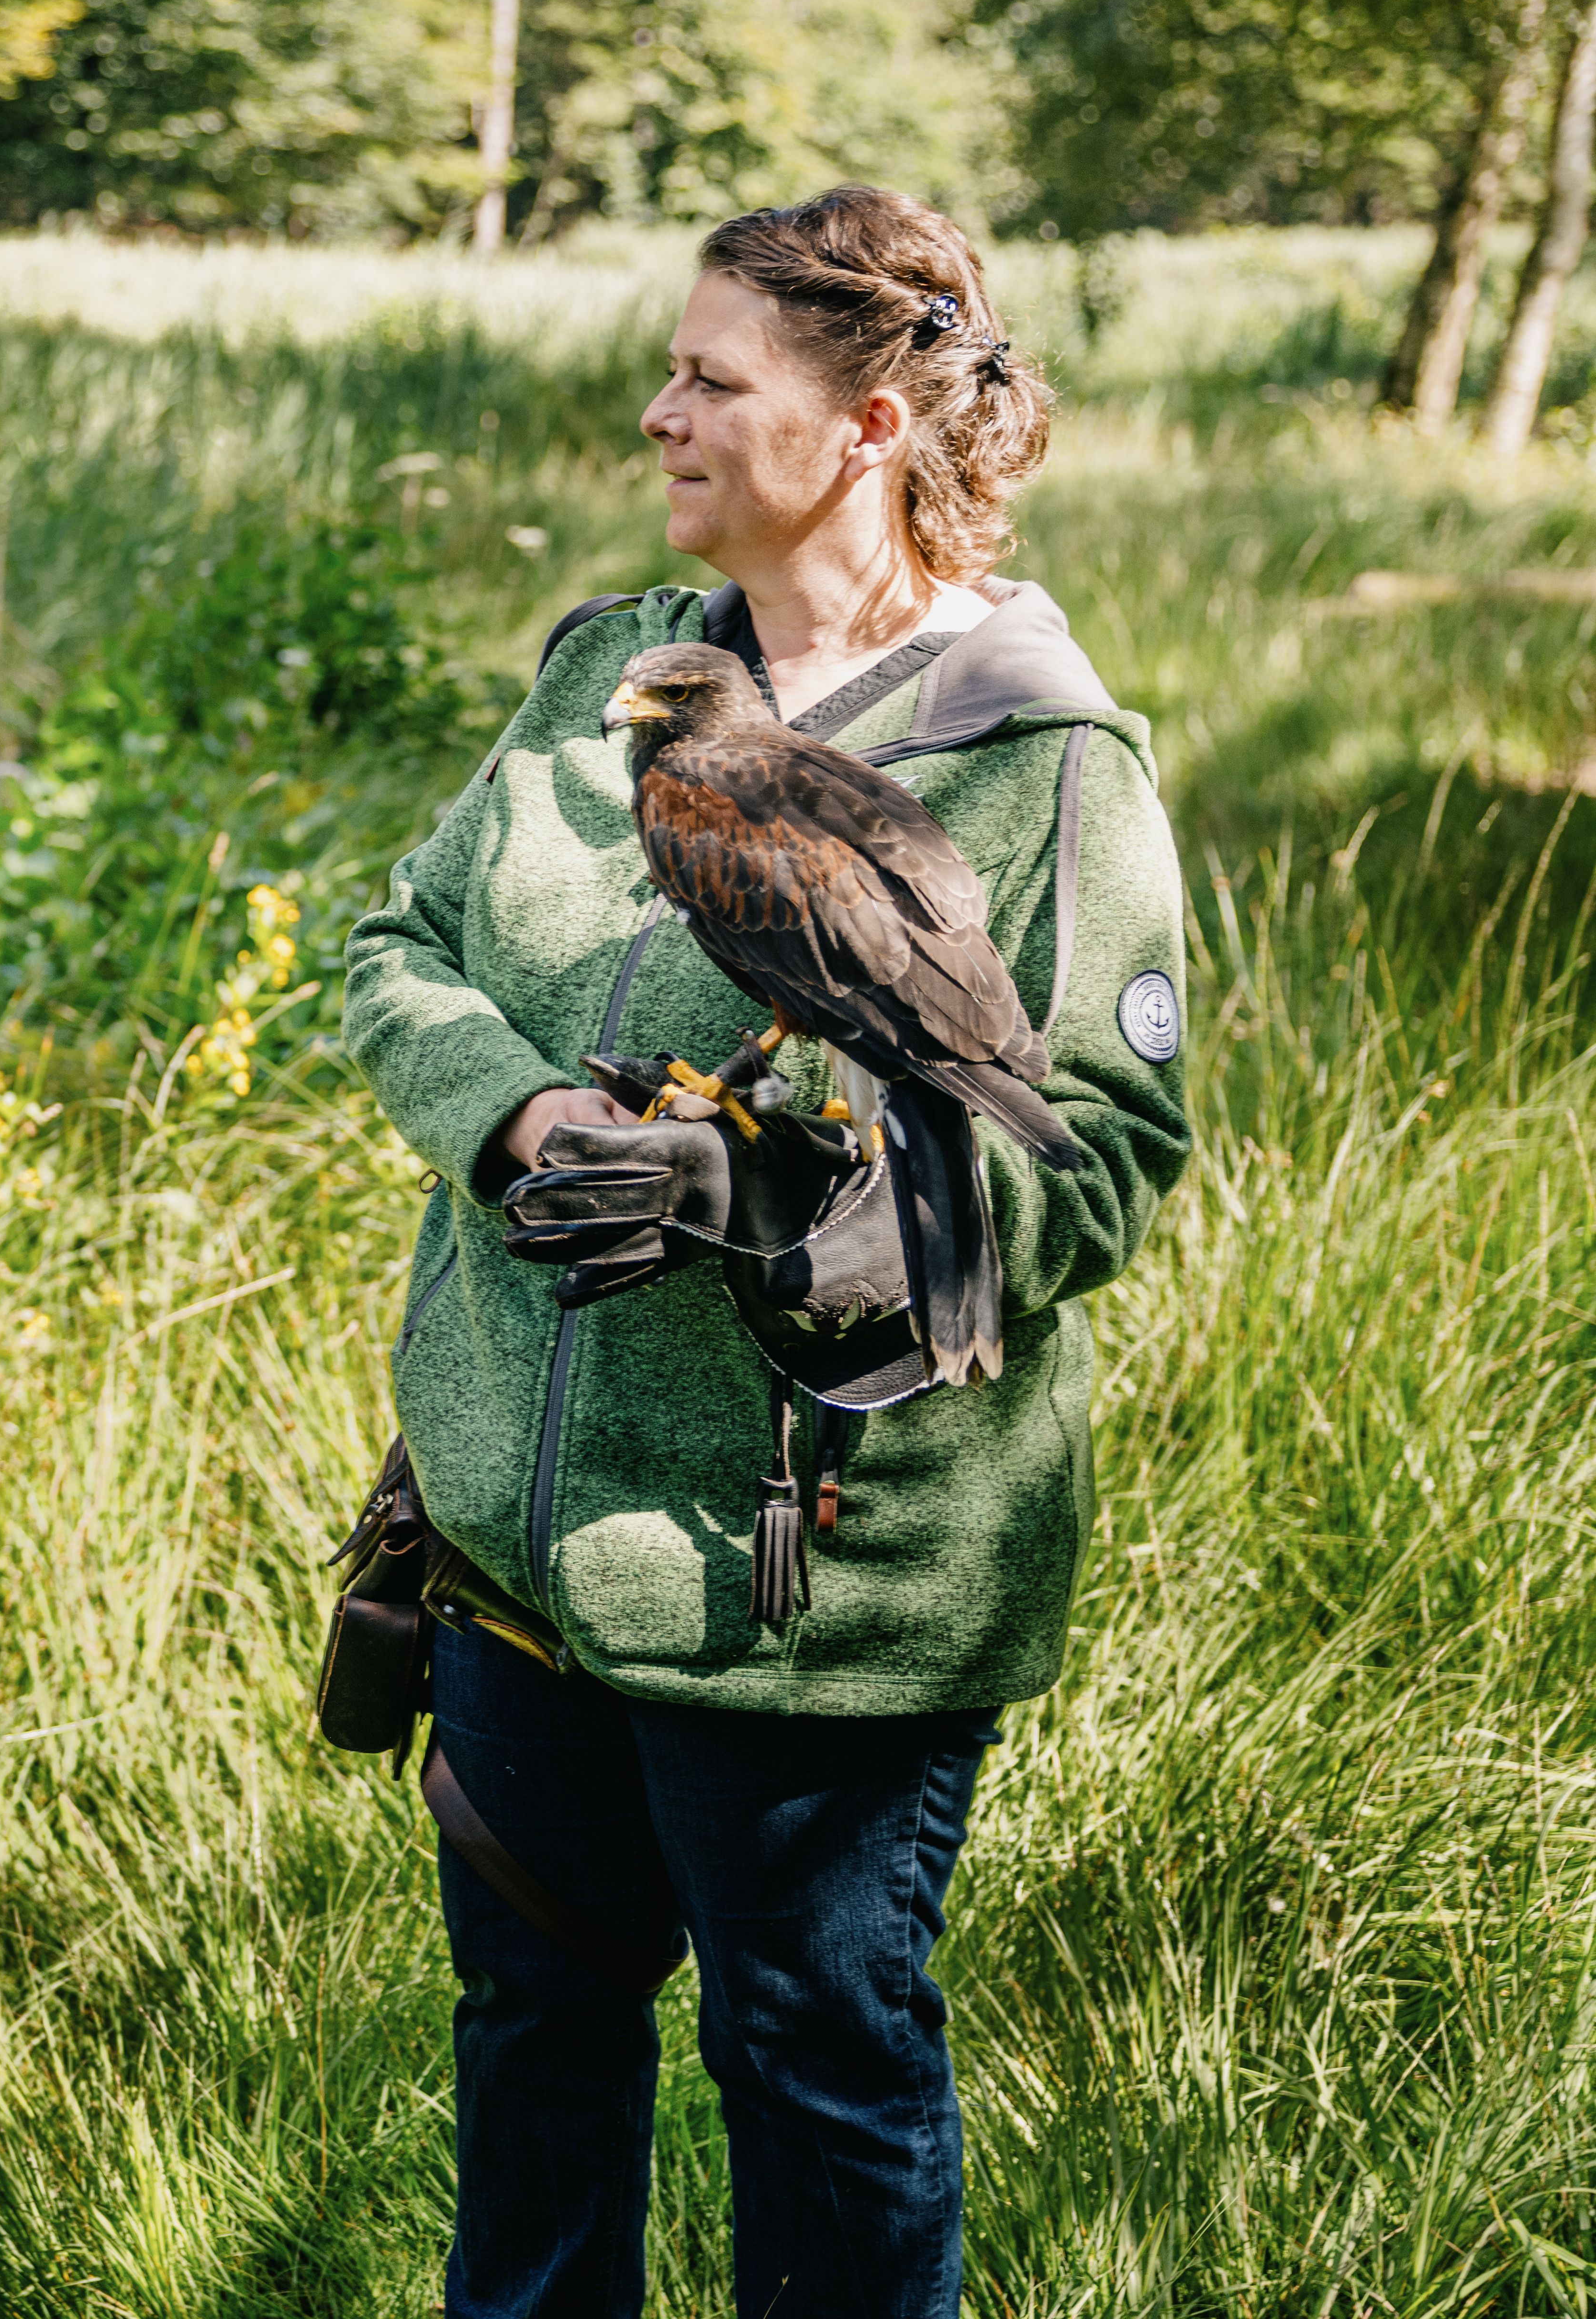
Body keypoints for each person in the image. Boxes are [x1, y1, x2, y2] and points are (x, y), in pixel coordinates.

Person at [343, 189, 1194, 2316]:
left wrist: (782, 1212)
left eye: (713, 381)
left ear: (871, 423)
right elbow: (403, 954)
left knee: (815, 2077)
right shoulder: (611, 679)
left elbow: (1094, 1162)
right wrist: (523, 1115)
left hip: (810, 1589)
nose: (660, 413)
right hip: (520, 1563)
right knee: (537, 2058)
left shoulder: (1039, 756)